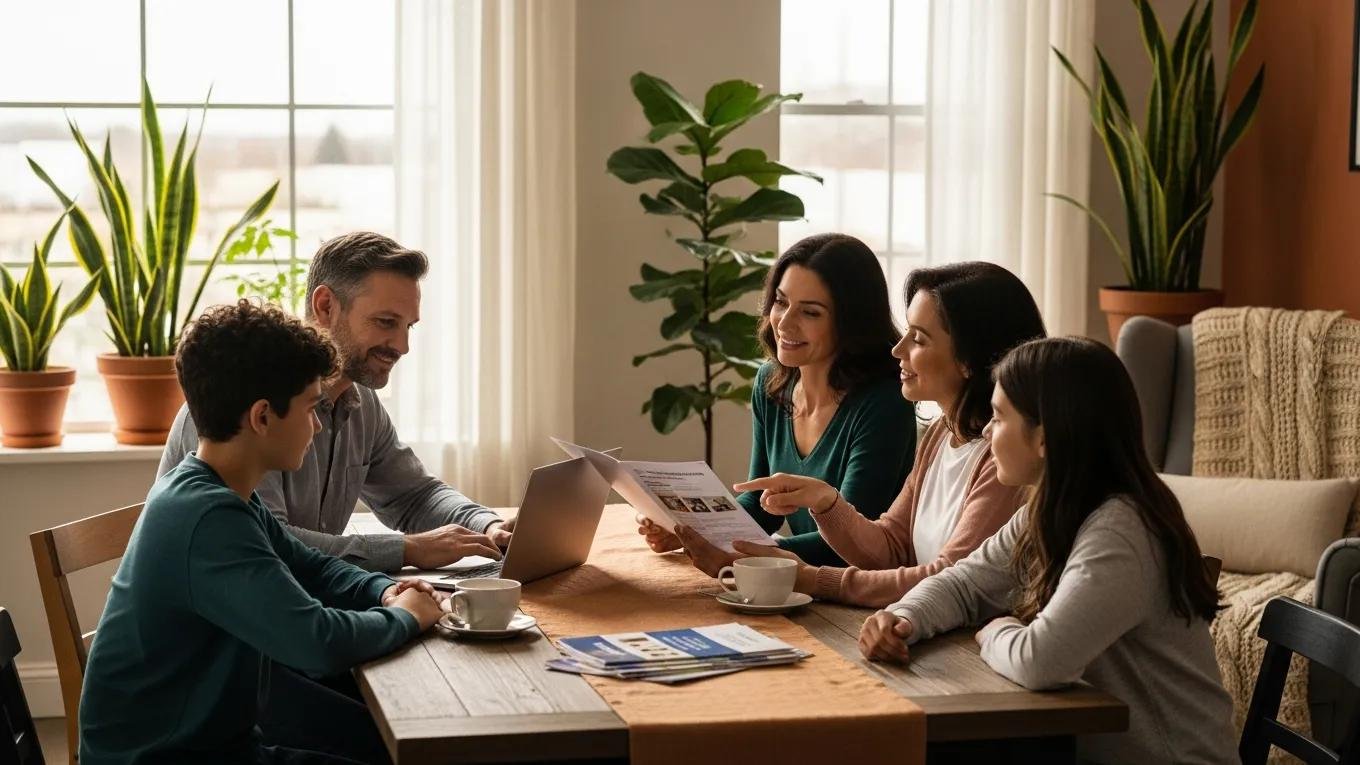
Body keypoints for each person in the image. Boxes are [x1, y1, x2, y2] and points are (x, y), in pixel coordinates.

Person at [80, 301, 446, 765]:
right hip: (169, 757)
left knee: (380, 742)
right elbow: (315, 642)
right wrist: (408, 617)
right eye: (311, 408)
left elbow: (311, 567)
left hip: (216, 743)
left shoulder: (221, 493)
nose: (317, 425)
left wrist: (388, 590)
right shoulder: (208, 517)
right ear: (262, 417)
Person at [860, 337, 1237, 764]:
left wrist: (997, 629)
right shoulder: (1055, 509)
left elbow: (1041, 661)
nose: (986, 430)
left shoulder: (1122, 529)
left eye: (999, 417)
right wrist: (904, 619)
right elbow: (965, 583)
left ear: (1044, 437)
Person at [158, 232, 506, 574]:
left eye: (408, 327)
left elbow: (414, 496)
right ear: (325, 307)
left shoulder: (362, 403)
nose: (402, 346)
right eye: (386, 322)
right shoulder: (247, 403)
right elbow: (268, 543)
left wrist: (488, 526)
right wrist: (408, 550)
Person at [730, 262, 1045, 607]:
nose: (898, 349)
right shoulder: (943, 432)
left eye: (919, 339)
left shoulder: (1004, 458)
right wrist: (826, 502)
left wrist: (813, 578)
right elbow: (892, 546)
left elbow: (948, 581)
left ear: (968, 360)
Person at [638, 233, 915, 569]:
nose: (784, 322)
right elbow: (759, 504)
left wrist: (738, 555)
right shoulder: (771, 382)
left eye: (810, 312)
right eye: (781, 302)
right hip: (794, 582)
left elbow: (853, 544)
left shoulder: (884, 403)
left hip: (856, 595)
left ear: (850, 322)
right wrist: (693, 531)